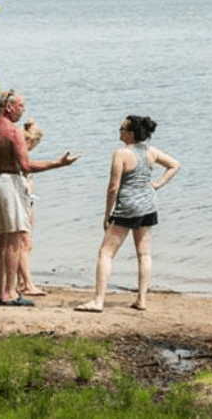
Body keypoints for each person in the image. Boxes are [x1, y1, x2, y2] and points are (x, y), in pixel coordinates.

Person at [0, 89, 80, 306]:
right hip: (10, 182)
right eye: (20, 107)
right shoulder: (12, 131)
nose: (23, 111)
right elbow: (25, 165)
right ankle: (10, 293)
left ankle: (1, 290)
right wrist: (58, 163)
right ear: (9, 107)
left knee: (0, 238)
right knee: (14, 238)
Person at [75, 115, 180, 313]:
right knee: (144, 253)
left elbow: (113, 187)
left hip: (127, 207)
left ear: (131, 133)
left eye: (122, 128)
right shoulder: (151, 151)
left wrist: (107, 214)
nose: (119, 131)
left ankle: (98, 300)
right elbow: (174, 165)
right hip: (147, 206)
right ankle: (141, 299)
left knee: (106, 253)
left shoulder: (121, 153)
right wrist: (157, 185)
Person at [17, 117, 46, 296]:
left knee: (24, 243)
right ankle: (27, 283)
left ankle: (21, 280)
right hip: (23, 203)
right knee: (25, 244)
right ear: (30, 140)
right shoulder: (22, 157)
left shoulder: (18, 155)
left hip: (27, 202)